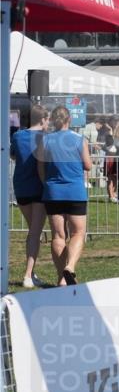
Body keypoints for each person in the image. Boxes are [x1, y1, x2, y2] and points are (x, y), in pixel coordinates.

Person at [39, 105, 92, 286]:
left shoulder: (45, 141)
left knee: (58, 236)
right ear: (69, 119)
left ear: (53, 120)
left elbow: (40, 168)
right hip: (75, 191)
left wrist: (47, 181)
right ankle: (70, 267)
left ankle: (62, 278)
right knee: (78, 232)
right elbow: (88, 165)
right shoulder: (79, 139)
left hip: (53, 192)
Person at [11, 105, 49, 288]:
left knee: (33, 231)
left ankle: (31, 272)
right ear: (43, 120)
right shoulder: (44, 137)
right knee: (35, 232)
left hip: (21, 186)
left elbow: (12, 155)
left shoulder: (17, 136)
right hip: (38, 187)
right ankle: (28, 275)